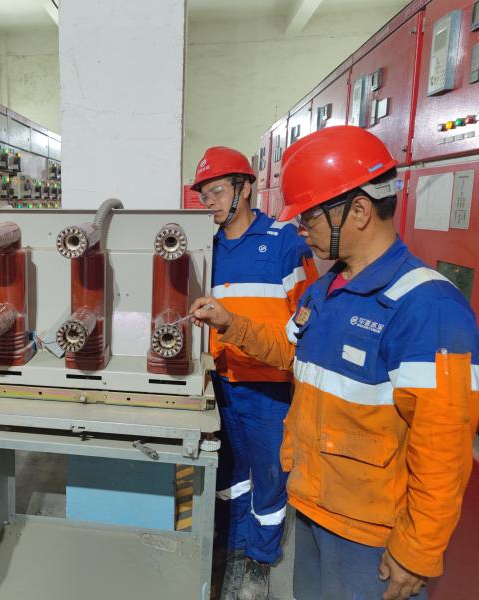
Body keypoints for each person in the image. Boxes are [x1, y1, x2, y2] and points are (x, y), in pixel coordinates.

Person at [191, 126, 479, 600]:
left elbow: (444, 444)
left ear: (359, 211)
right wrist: (231, 323)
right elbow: (289, 351)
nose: (302, 229)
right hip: (315, 505)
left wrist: (417, 550)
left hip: (372, 533)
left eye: (310, 216)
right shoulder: (327, 292)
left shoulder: (428, 307)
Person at [190, 147, 318, 600]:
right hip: (222, 382)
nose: (209, 202)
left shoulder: (285, 243)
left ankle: (260, 561)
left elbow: (306, 322)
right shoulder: (207, 246)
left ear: (244, 188)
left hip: (269, 388)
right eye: (204, 195)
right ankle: (235, 545)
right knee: (230, 472)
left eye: (217, 191)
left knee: (268, 478)